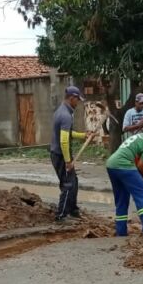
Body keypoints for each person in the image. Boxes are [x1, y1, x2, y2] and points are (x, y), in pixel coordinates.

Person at [50, 86, 94, 221]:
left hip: (60, 154)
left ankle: (73, 210)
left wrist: (83, 135)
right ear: (71, 98)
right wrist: (68, 161)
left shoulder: (63, 111)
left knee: (73, 181)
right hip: (61, 155)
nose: (78, 103)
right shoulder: (65, 115)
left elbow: (68, 133)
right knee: (67, 184)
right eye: (77, 100)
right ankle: (61, 215)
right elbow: (64, 141)